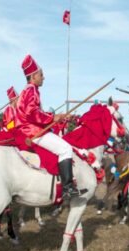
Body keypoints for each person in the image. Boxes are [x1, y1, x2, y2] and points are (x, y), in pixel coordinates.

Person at [15, 54, 84, 200]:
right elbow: (32, 114)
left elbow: (36, 112)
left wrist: (59, 116)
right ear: (33, 76)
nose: (43, 77)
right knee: (66, 149)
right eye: (41, 75)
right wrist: (53, 117)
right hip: (33, 131)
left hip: (31, 129)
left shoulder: (29, 90)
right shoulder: (31, 90)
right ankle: (67, 188)